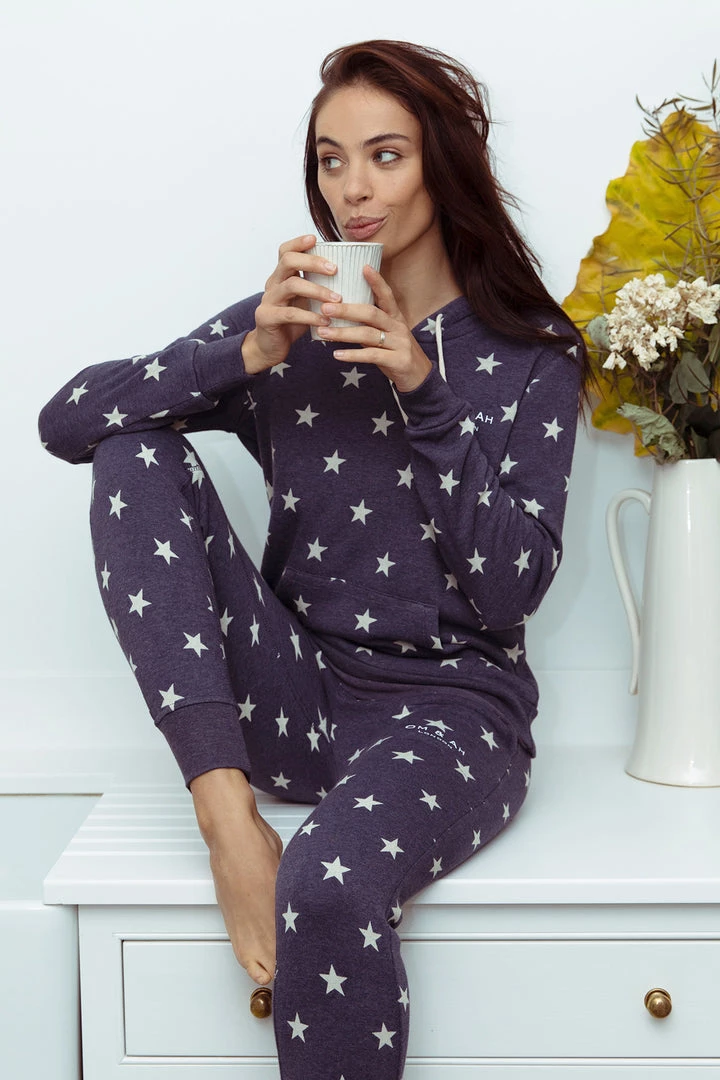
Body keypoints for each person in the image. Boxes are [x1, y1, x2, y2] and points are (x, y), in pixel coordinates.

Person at [39, 39, 588, 1080]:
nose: (353, 189)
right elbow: (66, 422)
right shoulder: (292, 328)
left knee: (329, 884)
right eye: (332, 160)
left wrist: (423, 391)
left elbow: (513, 587)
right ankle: (226, 821)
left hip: (451, 717)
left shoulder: (533, 355)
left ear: (443, 164)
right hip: (295, 698)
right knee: (133, 453)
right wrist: (244, 351)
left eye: (386, 155)